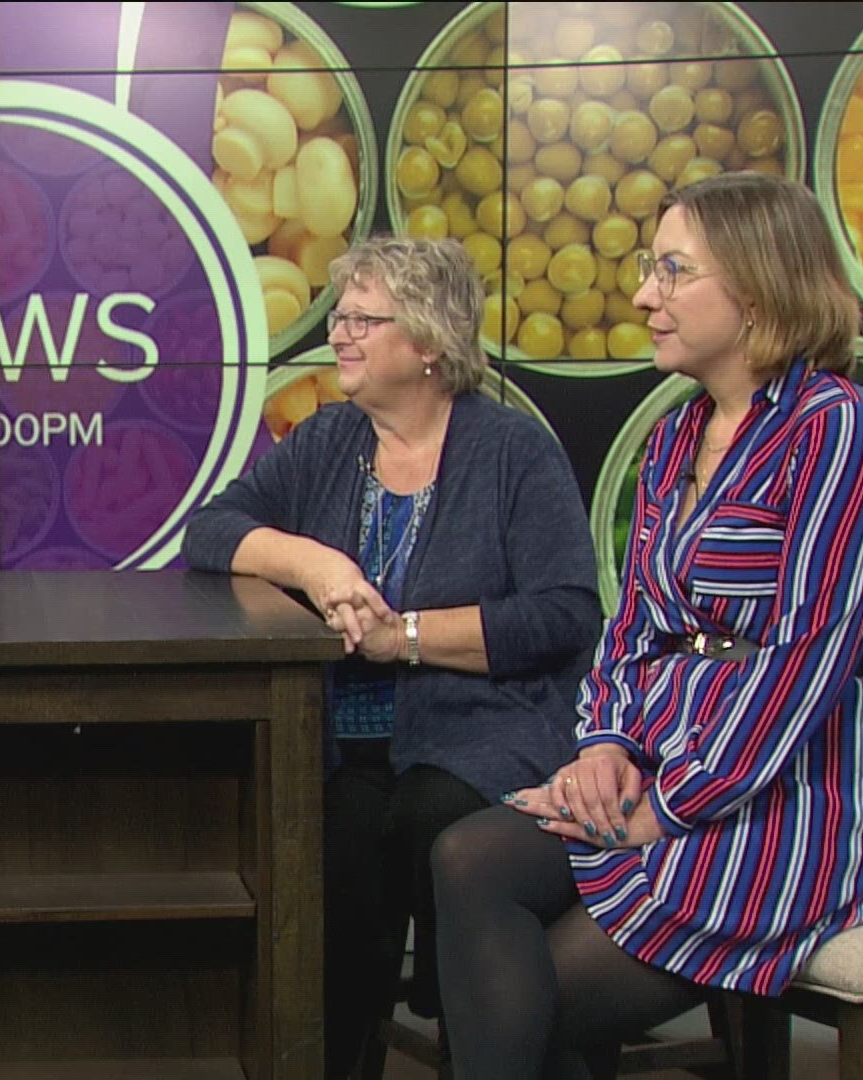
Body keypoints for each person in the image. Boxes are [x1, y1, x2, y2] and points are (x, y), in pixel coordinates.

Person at [430, 172, 863, 1080]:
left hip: (793, 800)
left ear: (758, 285)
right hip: (662, 765)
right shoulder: (673, 438)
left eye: (672, 270)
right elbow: (630, 632)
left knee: (531, 1003)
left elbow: (803, 664)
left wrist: (670, 806)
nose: (642, 295)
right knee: (467, 858)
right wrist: (606, 748)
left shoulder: (844, 434)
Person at [181, 236, 602, 1078]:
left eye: (363, 319)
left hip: (480, 729)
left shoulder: (513, 452)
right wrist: (317, 563)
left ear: (429, 343)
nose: (340, 333)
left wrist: (403, 636)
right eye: (340, 315)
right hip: (344, 738)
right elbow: (212, 530)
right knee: (325, 842)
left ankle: (481, 1030)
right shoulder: (330, 439)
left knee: (426, 817)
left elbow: (564, 616)